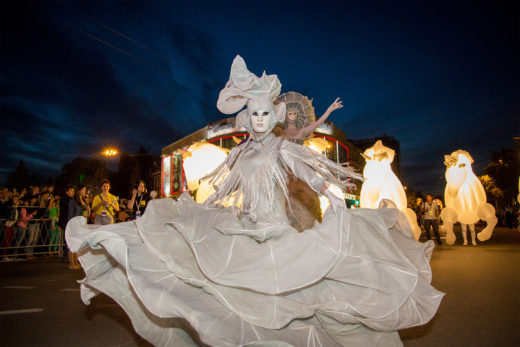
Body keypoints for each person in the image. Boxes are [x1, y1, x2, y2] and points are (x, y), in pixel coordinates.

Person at [66, 56, 443, 346]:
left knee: (301, 306)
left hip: (279, 239)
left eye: (266, 113)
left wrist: (334, 198)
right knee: (238, 304)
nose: (261, 120)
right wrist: (194, 210)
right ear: (248, 118)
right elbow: (223, 190)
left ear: (272, 116)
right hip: (245, 235)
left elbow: (311, 173)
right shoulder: (241, 154)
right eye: (255, 114)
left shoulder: (282, 147)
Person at [58, 186, 74, 263]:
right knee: (67, 239)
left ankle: (66, 255)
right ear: (67, 192)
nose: (72, 193)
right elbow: (64, 211)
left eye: (73, 191)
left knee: (68, 239)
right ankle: (65, 256)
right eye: (71, 191)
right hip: (65, 221)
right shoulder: (65, 199)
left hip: (67, 221)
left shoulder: (70, 200)